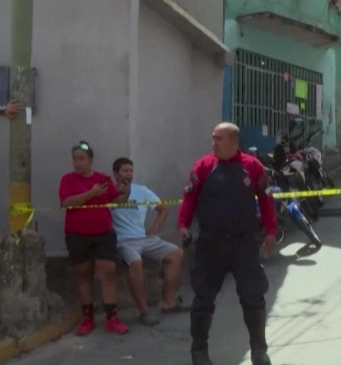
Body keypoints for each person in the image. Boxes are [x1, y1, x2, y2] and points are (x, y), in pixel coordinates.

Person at [178, 122, 277, 365]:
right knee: (203, 299)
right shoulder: (203, 166)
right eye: (213, 138)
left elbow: (265, 199)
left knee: (253, 297)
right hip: (210, 244)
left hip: (244, 244)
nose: (214, 143)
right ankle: (199, 351)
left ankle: (258, 350)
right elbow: (190, 197)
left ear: (234, 141)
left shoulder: (252, 166)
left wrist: (270, 230)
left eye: (219, 138)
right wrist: (183, 224)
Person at [59, 141, 130, 336]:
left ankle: (112, 319)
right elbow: (67, 203)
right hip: (77, 236)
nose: (78, 163)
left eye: (81, 159)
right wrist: (91, 193)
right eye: (75, 159)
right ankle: (87, 318)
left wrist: (124, 194)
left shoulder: (103, 179)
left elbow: (115, 201)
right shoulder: (67, 179)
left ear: (90, 160)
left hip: (103, 235)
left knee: (108, 273)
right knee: (83, 276)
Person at [110, 157, 188, 327]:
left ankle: (169, 302)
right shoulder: (109, 193)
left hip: (144, 237)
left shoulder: (142, 191)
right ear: (116, 173)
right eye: (125, 171)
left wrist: (154, 229)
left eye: (131, 171)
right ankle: (144, 311)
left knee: (176, 253)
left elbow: (163, 209)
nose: (129, 174)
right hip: (123, 240)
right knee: (135, 262)